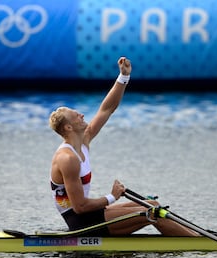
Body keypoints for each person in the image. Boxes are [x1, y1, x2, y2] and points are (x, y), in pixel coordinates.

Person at [48, 56, 198, 237]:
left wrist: (123, 77)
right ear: (69, 127)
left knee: (154, 206)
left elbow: (107, 109)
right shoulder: (67, 158)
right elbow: (79, 207)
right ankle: (204, 244)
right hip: (82, 223)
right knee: (153, 214)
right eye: (76, 115)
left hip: (92, 214)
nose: (81, 114)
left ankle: (202, 238)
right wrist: (112, 197)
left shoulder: (84, 140)